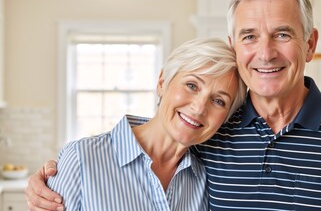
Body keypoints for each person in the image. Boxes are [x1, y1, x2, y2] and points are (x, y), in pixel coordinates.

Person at [26, 0, 321, 211]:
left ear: (309, 44)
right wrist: (55, 175)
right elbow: (163, 135)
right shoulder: (214, 136)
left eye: (282, 34)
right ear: (236, 46)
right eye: (250, 36)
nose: (265, 53)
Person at [26, 37, 246, 210]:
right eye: (192, 85)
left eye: (219, 101)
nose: (199, 107)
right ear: (162, 82)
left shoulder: (205, 179)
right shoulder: (81, 158)